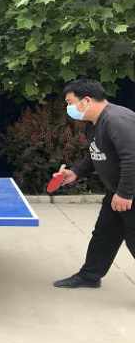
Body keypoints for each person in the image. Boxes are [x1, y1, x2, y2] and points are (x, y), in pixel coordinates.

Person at [53, 79, 135, 289]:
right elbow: (95, 154)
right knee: (104, 235)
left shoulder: (117, 120)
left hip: (128, 193)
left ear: (87, 100)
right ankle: (90, 276)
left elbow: (132, 158)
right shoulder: (93, 124)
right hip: (116, 191)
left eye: (70, 102)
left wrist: (126, 193)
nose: (68, 108)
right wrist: (75, 172)